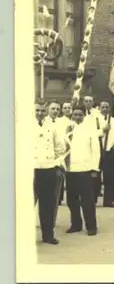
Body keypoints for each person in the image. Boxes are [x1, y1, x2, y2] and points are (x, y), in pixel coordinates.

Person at [65, 105, 100, 236]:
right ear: (72, 115)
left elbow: (96, 150)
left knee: (87, 200)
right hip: (70, 170)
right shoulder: (69, 129)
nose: (77, 117)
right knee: (71, 200)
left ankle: (91, 226)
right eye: (75, 114)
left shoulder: (89, 129)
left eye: (80, 114)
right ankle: (76, 224)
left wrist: (94, 169)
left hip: (85, 170)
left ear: (84, 116)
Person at [34, 100, 65, 245]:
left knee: (48, 204)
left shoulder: (53, 127)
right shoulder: (25, 126)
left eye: (42, 110)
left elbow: (60, 148)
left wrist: (56, 165)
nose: (40, 113)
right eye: (37, 110)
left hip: (48, 169)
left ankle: (48, 235)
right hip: (32, 169)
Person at [96, 101, 114, 207]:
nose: (105, 109)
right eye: (103, 107)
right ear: (99, 108)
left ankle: (109, 200)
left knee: (109, 177)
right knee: (95, 175)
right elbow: (93, 134)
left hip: (110, 150)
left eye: (107, 107)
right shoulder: (95, 120)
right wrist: (103, 130)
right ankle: (93, 199)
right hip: (97, 149)